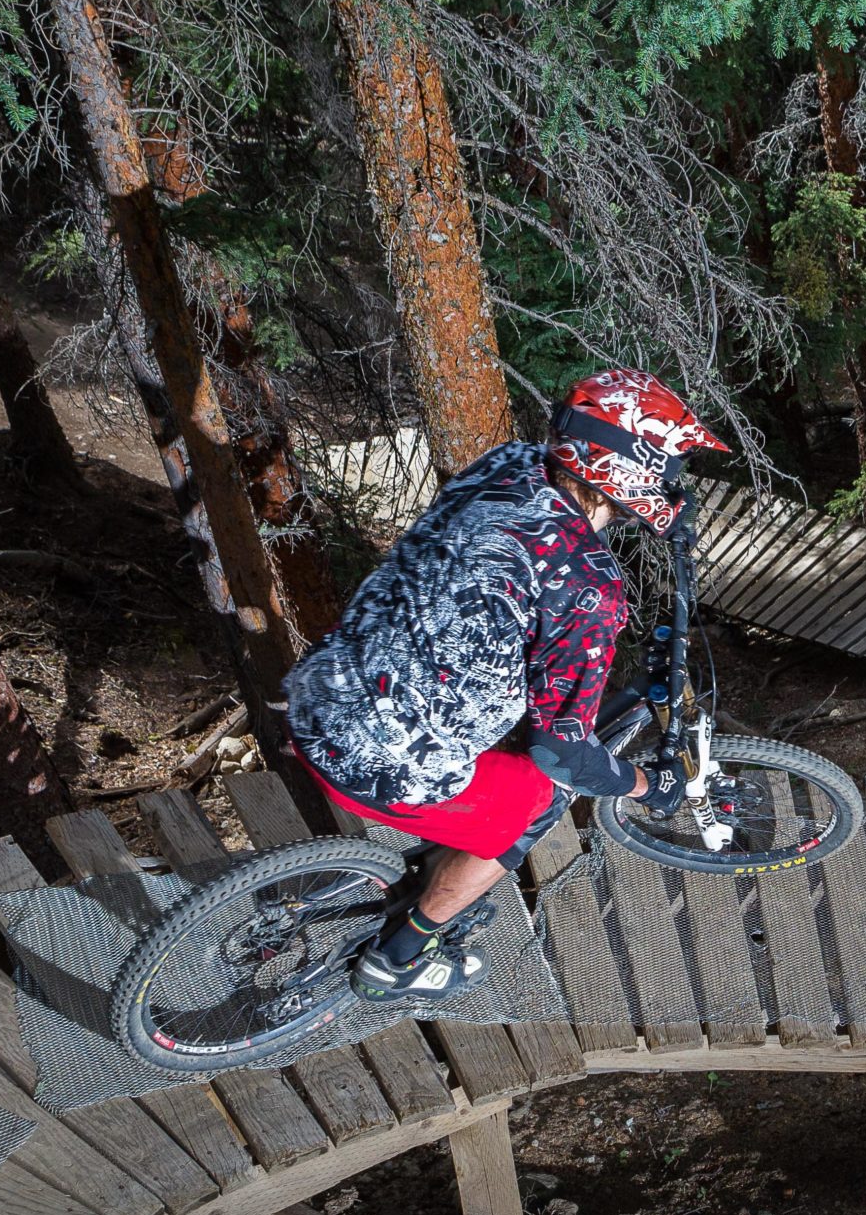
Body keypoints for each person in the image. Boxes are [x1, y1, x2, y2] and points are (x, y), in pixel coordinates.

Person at [286, 369, 729, 1001]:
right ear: (628, 470)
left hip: (321, 690)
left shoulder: (509, 465)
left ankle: (432, 868)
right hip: (370, 760)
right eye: (668, 469)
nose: (673, 484)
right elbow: (562, 753)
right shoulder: (585, 588)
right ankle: (401, 957)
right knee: (536, 797)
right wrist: (648, 785)